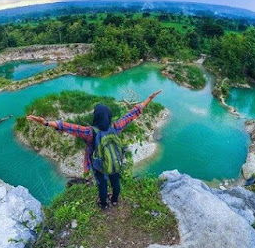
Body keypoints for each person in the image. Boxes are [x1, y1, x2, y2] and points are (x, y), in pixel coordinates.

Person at [27, 89, 162, 209]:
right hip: (115, 160)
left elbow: (67, 126)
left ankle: (103, 204)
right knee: (115, 181)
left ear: (96, 117)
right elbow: (132, 114)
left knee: (102, 184)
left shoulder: (90, 132)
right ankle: (114, 200)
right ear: (108, 116)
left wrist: (45, 122)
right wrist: (149, 98)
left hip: (98, 165)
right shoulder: (115, 127)